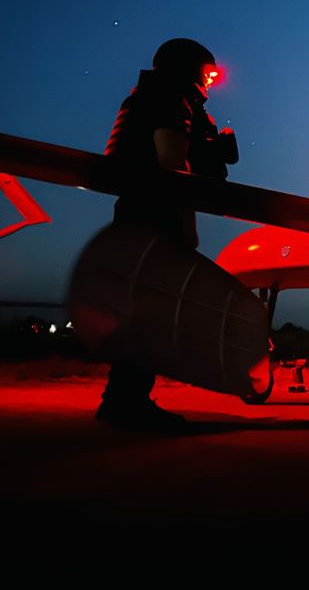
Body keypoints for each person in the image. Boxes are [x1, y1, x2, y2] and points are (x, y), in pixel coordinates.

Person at [95, 38, 237, 429]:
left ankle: (123, 400)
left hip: (138, 208)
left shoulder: (149, 94)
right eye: (207, 73)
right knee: (150, 310)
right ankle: (127, 404)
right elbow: (171, 162)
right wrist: (185, 221)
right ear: (189, 69)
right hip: (155, 211)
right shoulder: (168, 95)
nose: (210, 81)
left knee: (145, 307)